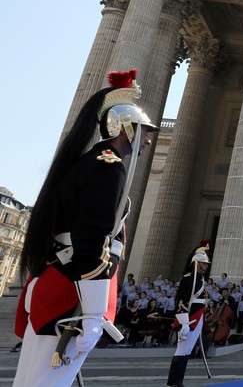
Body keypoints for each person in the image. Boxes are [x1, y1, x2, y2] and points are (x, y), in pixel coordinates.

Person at [13, 70, 157, 387]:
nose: (148, 140)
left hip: (56, 286)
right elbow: (95, 241)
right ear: (124, 128)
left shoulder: (89, 161)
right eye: (144, 131)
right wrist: (93, 313)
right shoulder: (109, 167)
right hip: (71, 293)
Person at [166, 245, 211, 387]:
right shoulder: (187, 279)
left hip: (199, 317)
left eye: (206, 264)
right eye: (204, 263)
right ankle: (173, 382)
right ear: (196, 263)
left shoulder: (201, 280)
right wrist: (184, 322)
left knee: (187, 351)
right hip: (189, 318)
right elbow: (180, 302)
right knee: (181, 351)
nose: (206, 266)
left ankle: (179, 381)